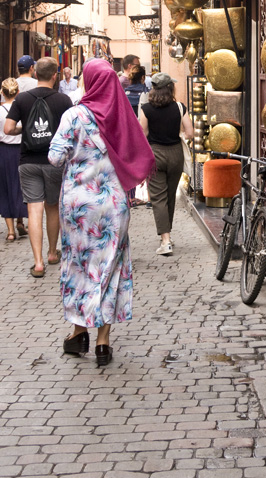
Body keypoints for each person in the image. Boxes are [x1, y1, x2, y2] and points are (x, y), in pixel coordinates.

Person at [48, 59, 155, 367]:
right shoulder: (122, 116)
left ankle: (78, 331)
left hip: (79, 207)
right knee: (111, 266)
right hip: (113, 205)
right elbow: (138, 152)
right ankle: (102, 343)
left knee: (80, 265)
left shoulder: (74, 115)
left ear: (90, 81)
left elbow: (55, 157)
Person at [4, 57, 72, 277]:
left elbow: (8, 128)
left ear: (35, 73)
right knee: (52, 207)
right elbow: (71, 131)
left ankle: (38, 262)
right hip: (54, 161)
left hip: (28, 161)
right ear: (54, 76)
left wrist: (24, 130)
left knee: (34, 210)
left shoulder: (22, 99)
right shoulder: (63, 100)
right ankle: (52, 253)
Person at [139, 72, 193, 257]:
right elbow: (190, 132)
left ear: (153, 89)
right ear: (170, 88)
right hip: (176, 154)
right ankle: (166, 235)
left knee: (158, 199)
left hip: (155, 154)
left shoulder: (146, 109)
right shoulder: (179, 107)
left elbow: (143, 133)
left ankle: (165, 240)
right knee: (169, 196)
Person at [0, 78, 28, 241]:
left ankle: (10, 231)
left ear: (2, 93)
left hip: (4, 151)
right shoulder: (22, 108)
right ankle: (20, 221)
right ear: (18, 92)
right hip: (21, 150)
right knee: (21, 186)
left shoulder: (0, 111)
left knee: (5, 188)